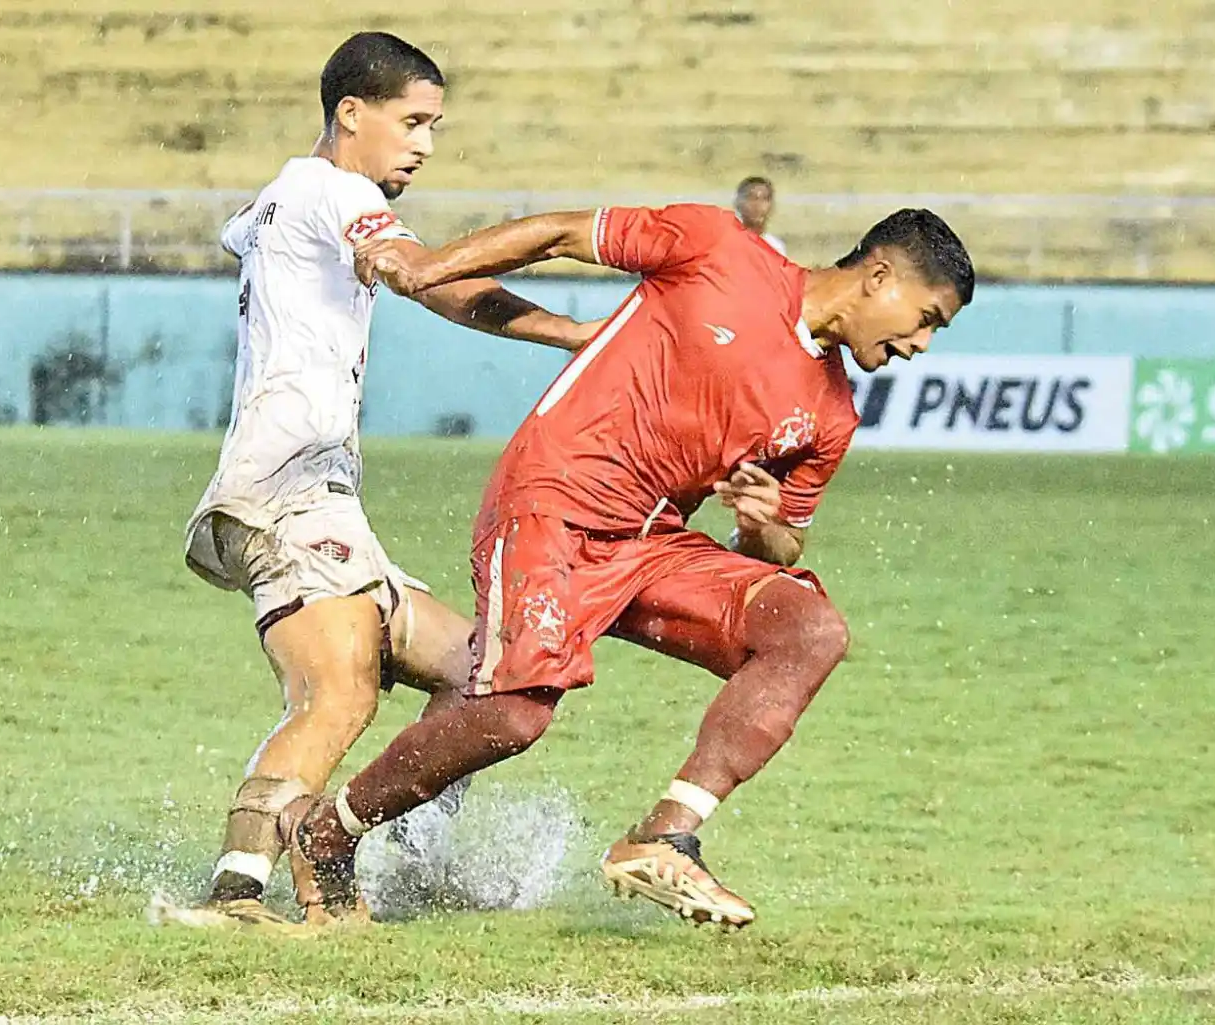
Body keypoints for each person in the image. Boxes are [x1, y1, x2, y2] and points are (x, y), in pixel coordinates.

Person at [282, 201, 975, 929]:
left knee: (810, 630)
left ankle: (666, 833)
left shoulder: (831, 414)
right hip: (551, 502)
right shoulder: (719, 248)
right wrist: (429, 266)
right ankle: (326, 833)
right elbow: (561, 235)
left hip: (650, 543)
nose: (922, 343)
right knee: (515, 714)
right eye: (927, 317)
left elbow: (783, 547)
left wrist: (762, 522)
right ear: (881, 276)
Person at [175, 31, 595, 929]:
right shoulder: (332, 190)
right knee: (342, 693)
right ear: (350, 115)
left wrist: (579, 338)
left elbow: (432, 286)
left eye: (435, 126)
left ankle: (405, 851)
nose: (425, 144)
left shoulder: (297, 198)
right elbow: (418, 272)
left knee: (484, 675)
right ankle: (235, 890)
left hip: (326, 502)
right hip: (283, 494)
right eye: (412, 122)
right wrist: (551, 250)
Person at [734, 176, 787, 255]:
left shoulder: (775, 247)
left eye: (765, 199)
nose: (758, 205)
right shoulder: (729, 243)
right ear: (739, 204)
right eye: (753, 198)